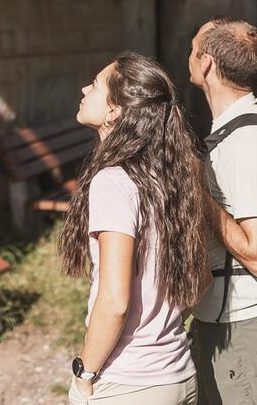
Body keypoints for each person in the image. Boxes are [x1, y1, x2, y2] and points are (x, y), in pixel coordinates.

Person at [61, 52, 208, 405]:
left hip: (130, 384)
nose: (84, 88)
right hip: (180, 376)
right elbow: (201, 279)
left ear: (115, 110)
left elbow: (114, 301)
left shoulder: (114, 181)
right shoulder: (173, 177)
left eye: (95, 85)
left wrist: (85, 374)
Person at [188, 18, 257, 405]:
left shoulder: (244, 142)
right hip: (226, 318)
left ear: (207, 63)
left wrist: (197, 196)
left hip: (243, 323)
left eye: (192, 45)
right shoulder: (235, 134)